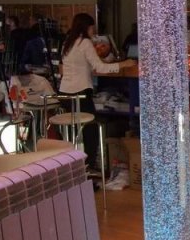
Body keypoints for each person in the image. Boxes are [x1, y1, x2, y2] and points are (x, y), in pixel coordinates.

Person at [59, 13, 137, 170]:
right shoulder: (85, 43)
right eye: (92, 28)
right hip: (80, 93)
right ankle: (88, 166)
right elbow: (100, 67)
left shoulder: (68, 42)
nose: (93, 32)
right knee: (91, 130)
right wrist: (124, 64)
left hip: (65, 94)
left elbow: (86, 63)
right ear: (87, 27)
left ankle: (72, 165)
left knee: (75, 130)